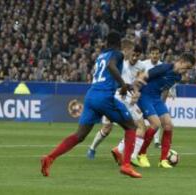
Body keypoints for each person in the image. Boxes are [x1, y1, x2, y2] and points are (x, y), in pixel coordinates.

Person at [40, 31, 142, 178]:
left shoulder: (101, 55)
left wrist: (124, 86)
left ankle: (49, 158)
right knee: (131, 127)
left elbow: (105, 78)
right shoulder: (117, 54)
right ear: (118, 43)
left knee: (80, 135)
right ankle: (126, 165)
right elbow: (111, 67)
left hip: (91, 96)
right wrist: (124, 85)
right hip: (104, 97)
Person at [87, 45, 147, 165]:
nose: (134, 57)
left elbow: (134, 83)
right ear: (128, 52)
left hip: (124, 97)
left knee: (135, 126)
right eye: (133, 54)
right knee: (109, 127)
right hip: (116, 97)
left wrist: (136, 92)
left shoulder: (140, 66)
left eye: (137, 56)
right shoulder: (120, 62)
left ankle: (121, 151)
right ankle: (94, 148)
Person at [134, 53, 196, 168]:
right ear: (181, 61)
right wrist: (136, 92)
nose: (186, 71)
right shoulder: (164, 68)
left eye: (189, 69)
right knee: (156, 124)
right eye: (186, 67)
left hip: (156, 99)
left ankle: (163, 160)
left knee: (168, 125)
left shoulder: (177, 77)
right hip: (145, 96)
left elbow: (165, 89)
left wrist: (162, 105)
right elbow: (143, 76)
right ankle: (141, 154)